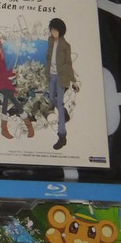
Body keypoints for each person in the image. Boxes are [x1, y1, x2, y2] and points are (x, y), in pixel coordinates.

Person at [0, 35, 34, 140]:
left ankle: (5, 129)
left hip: (4, 83)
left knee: (10, 100)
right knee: (11, 98)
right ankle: (28, 125)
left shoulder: (0, 59)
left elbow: (4, 72)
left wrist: (12, 72)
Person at [46, 17, 77, 150]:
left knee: (59, 103)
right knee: (51, 98)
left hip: (61, 77)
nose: (53, 32)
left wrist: (73, 80)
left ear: (61, 31)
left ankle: (62, 136)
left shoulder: (66, 46)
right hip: (51, 75)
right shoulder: (50, 41)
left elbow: (69, 63)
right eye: (52, 29)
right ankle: (64, 112)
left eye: (56, 30)